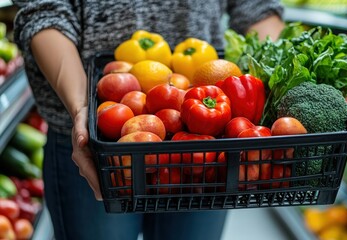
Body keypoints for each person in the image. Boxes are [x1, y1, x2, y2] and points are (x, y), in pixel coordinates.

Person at [12, 1, 285, 240]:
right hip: (96, 142)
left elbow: (257, 7)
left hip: (206, 148)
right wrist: (81, 107)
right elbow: (44, 10)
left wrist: (276, 81)